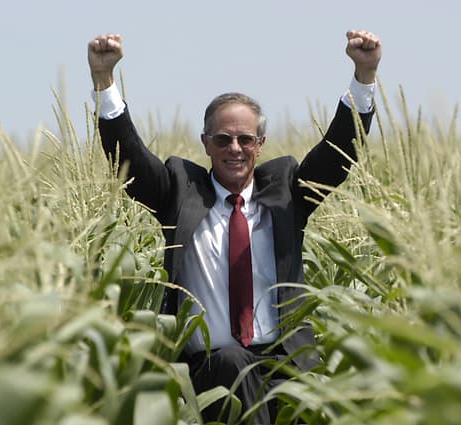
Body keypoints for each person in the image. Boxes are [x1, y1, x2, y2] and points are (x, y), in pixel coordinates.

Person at [88, 30, 381, 424]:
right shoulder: (180, 193)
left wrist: (364, 75)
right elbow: (131, 160)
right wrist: (104, 80)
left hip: (282, 365)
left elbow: (337, 153)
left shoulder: (287, 195)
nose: (235, 149)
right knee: (231, 360)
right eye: (223, 139)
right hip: (209, 370)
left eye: (245, 139)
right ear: (205, 142)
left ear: (260, 143)